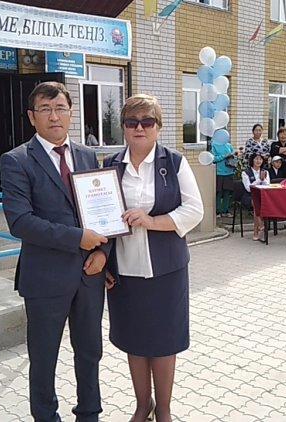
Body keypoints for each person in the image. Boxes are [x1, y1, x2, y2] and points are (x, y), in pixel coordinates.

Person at [0, 82, 110, 422]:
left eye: (60, 108)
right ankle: (46, 417)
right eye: (45, 109)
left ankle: (89, 413)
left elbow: (103, 212)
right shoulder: (17, 160)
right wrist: (78, 238)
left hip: (89, 274)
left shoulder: (88, 156)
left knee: (90, 352)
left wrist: (104, 254)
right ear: (32, 117)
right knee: (44, 357)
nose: (54, 116)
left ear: (71, 113)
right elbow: (20, 222)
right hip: (45, 277)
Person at [103, 94, 204, 422]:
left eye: (147, 122)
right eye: (132, 122)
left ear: (158, 127)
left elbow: (194, 211)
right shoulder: (110, 165)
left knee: (163, 341)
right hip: (124, 270)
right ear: (123, 127)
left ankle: (163, 409)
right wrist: (102, 261)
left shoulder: (174, 163)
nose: (139, 128)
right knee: (134, 339)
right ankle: (141, 404)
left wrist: (150, 221)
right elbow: (99, 217)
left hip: (166, 269)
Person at [242, 153, 270, 240]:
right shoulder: (245, 173)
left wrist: (263, 180)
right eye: (256, 159)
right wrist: (258, 180)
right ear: (252, 160)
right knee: (255, 203)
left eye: (260, 159)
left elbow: (267, 185)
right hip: (249, 196)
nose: (258, 161)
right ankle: (259, 226)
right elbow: (248, 188)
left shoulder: (265, 172)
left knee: (257, 204)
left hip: (262, 195)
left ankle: (257, 231)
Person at [211, 139, 237, 217]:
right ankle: (218, 211)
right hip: (219, 173)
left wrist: (235, 155)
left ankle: (225, 211)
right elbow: (213, 159)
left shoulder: (228, 145)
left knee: (227, 192)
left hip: (229, 172)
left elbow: (234, 156)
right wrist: (224, 156)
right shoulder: (214, 146)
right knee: (218, 192)